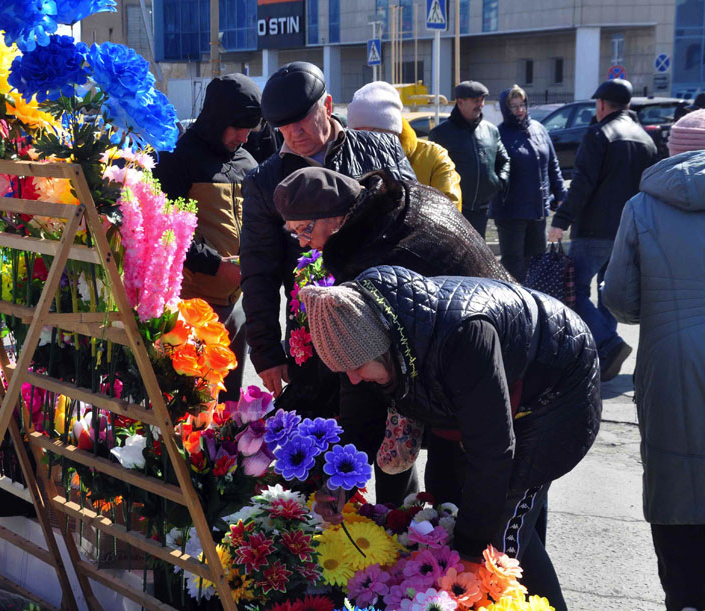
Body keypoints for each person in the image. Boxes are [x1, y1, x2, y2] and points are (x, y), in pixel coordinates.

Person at [303, 265, 602, 611]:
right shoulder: (365, 341)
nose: (353, 379)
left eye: (358, 369)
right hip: (488, 394)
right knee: (455, 500)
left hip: (558, 388)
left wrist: (472, 550)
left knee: (497, 545)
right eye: (345, 372)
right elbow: (359, 421)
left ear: (383, 346)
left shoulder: (462, 335)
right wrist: (336, 483)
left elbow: (492, 453)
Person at [273, 166, 512, 503]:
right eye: (294, 233)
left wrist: (345, 467)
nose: (304, 243)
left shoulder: (380, 254)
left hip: (500, 369)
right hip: (485, 355)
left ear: (337, 219)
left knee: (480, 511)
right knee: (454, 497)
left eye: (306, 229)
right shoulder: (393, 207)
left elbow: (363, 371)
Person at [240, 61, 416, 400]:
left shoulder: (379, 147)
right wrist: (265, 352)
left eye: (303, 119)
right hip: (316, 334)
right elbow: (258, 269)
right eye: (283, 126)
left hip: (389, 321)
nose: (294, 133)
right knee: (328, 439)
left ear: (329, 106)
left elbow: (414, 220)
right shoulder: (264, 181)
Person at [602, 111, 705, 611]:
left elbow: (622, 301)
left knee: (675, 484)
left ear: (672, 149)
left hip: (670, 361)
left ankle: (684, 598)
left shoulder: (643, 206)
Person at [152, 73, 262, 401]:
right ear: (217, 117)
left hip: (237, 304)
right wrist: (216, 266)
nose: (243, 137)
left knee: (228, 403)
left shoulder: (247, 161)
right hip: (192, 305)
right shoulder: (177, 158)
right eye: (237, 127)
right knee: (192, 406)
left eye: (249, 129)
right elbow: (165, 231)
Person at [548, 78, 657, 382]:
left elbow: (582, 184)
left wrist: (560, 221)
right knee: (608, 293)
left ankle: (608, 345)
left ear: (601, 105)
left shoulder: (598, 134)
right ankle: (605, 354)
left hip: (594, 230)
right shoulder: (646, 139)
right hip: (630, 230)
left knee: (575, 292)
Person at [489, 85, 567, 282]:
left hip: (537, 210)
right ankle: (514, 304)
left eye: (522, 104)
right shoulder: (499, 135)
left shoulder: (539, 129)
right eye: (514, 106)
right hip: (511, 213)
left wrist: (561, 197)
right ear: (506, 109)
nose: (520, 110)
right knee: (513, 264)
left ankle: (536, 304)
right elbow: (493, 173)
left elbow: (553, 166)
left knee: (537, 261)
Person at [345, 81, 462, 210]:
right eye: (357, 135)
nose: (366, 143)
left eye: (374, 134)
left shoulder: (433, 157)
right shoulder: (346, 159)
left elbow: (449, 212)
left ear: (393, 132)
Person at [429, 80, 510, 237]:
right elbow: (432, 171)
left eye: (482, 100)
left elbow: (504, 160)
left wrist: (499, 182)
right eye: (475, 101)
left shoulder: (491, 131)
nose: (480, 105)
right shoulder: (440, 134)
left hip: (482, 209)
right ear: (460, 102)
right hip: (455, 210)